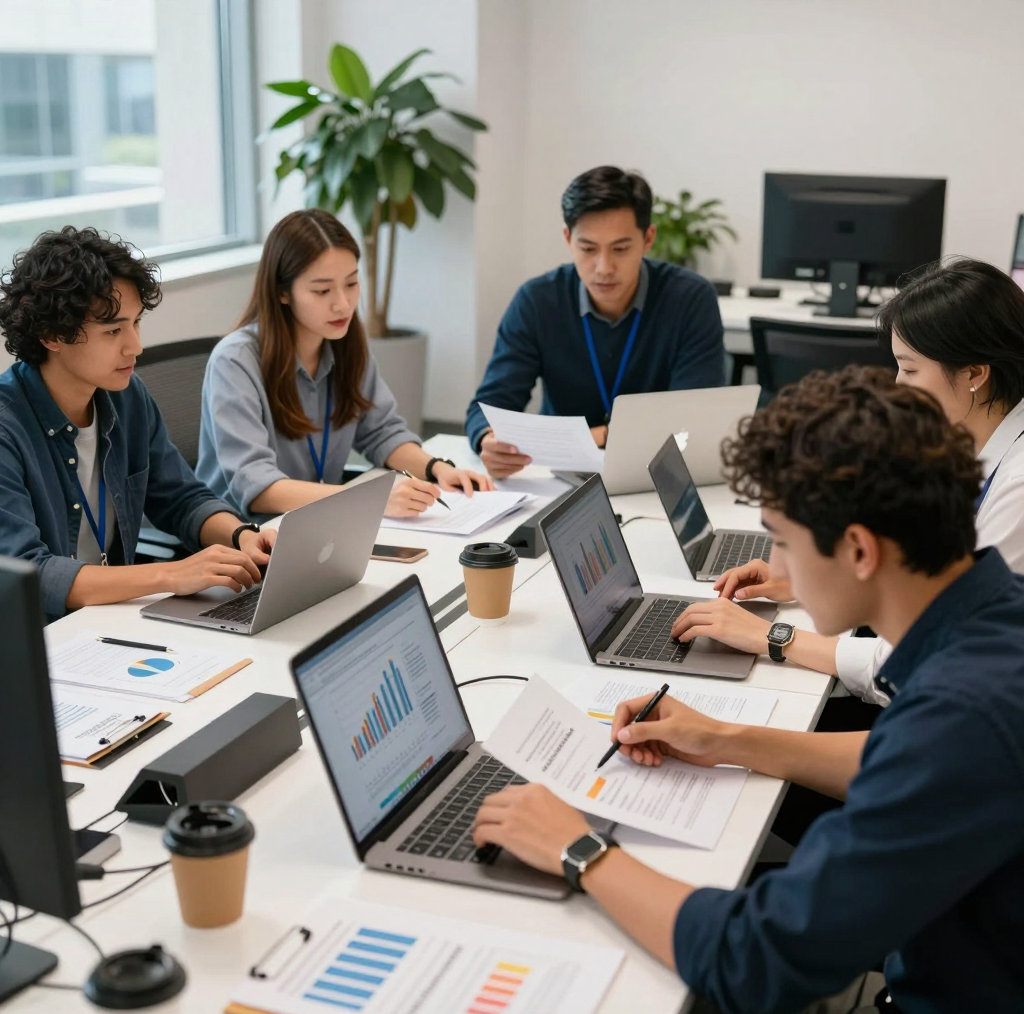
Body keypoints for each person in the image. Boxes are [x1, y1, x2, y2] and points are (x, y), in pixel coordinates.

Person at [473, 366, 1024, 1014]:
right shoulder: (992, 619)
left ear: (858, 549)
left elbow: (755, 960)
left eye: (784, 541)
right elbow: (907, 760)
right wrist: (726, 740)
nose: (779, 568)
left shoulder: (964, 716)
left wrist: (579, 849)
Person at [670, 257, 1024, 704]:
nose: (898, 385)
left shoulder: (1018, 489)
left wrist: (775, 637)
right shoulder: (981, 448)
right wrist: (819, 578)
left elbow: (923, 661)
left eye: (910, 369)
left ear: (975, 373)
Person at [0, 227, 276, 621]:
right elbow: (32, 576)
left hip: (116, 619)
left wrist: (242, 536)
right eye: (113, 330)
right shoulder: (7, 430)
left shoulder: (126, 397)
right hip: (44, 641)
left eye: (136, 323)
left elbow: (181, 499)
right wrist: (171, 574)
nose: (135, 346)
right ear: (52, 335)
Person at [197, 209, 491, 524]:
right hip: (246, 539)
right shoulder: (236, 361)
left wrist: (439, 469)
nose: (343, 304)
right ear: (282, 292)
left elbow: (381, 431)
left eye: (351, 284)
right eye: (322, 291)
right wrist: (371, 500)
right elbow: (256, 487)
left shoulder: (345, 343)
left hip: (322, 524)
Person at [464, 166, 726, 479]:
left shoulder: (690, 299)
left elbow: (691, 417)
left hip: (658, 477)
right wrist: (488, 440)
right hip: (559, 479)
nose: (603, 267)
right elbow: (488, 405)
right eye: (588, 249)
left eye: (620, 248)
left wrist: (594, 437)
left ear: (648, 239)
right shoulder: (538, 300)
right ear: (567, 238)